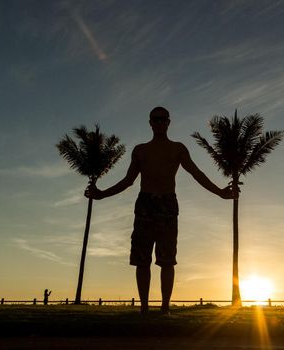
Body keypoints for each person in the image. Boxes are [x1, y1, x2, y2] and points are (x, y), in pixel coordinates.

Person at [85, 106, 235, 315]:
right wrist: (101, 194)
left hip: (167, 204)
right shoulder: (140, 150)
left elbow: (196, 173)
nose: (159, 122)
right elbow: (128, 181)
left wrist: (219, 192)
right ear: (150, 123)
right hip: (145, 204)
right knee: (142, 259)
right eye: (155, 119)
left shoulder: (178, 149)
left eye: (163, 119)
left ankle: (165, 307)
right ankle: (144, 307)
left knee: (167, 259)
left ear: (168, 122)